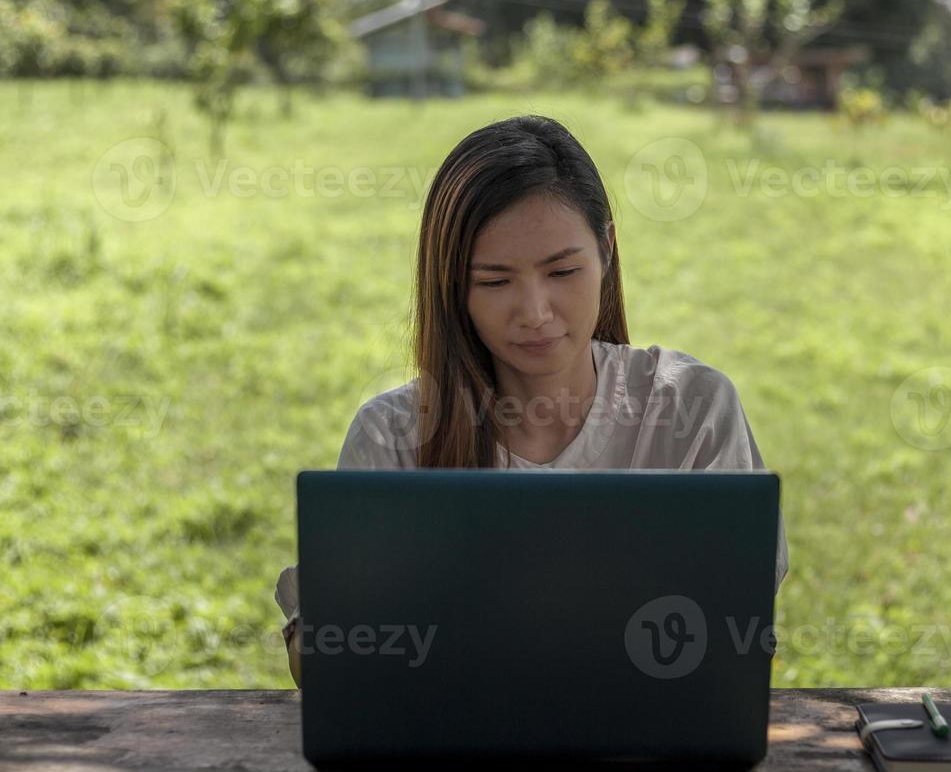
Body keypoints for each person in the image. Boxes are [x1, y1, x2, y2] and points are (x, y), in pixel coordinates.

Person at [274, 115, 789, 687]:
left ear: (607, 251)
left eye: (563, 270)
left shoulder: (690, 408)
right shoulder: (392, 435)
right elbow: (324, 659)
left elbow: (737, 634)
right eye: (494, 282)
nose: (535, 312)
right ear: (451, 286)